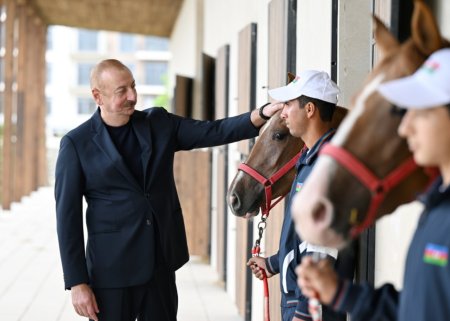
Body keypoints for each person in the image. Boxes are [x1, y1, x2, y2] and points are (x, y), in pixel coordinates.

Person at [55, 58, 283, 321]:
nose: (132, 96)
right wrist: (77, 283)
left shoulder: (158, 123)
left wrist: (262, 114)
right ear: (98, 96)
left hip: (159, 266)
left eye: (133, 86)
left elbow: (213, 131)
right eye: (122, 91)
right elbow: (67, 218)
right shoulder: (76, 144)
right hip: (111, 272)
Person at [296, 48, 450, 321]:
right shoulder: (436, 209)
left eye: (422, 112)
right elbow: (415, 308)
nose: (405, 128)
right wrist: (341, 294)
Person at [247, 70, 355, 321]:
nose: (282, 113)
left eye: (287, 105)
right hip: (298, 301)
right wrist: (273, 263)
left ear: (309, 110)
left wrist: (305, 313)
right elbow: (304, 239)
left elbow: (323, 251)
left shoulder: (327, 167)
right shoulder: (308, 159)